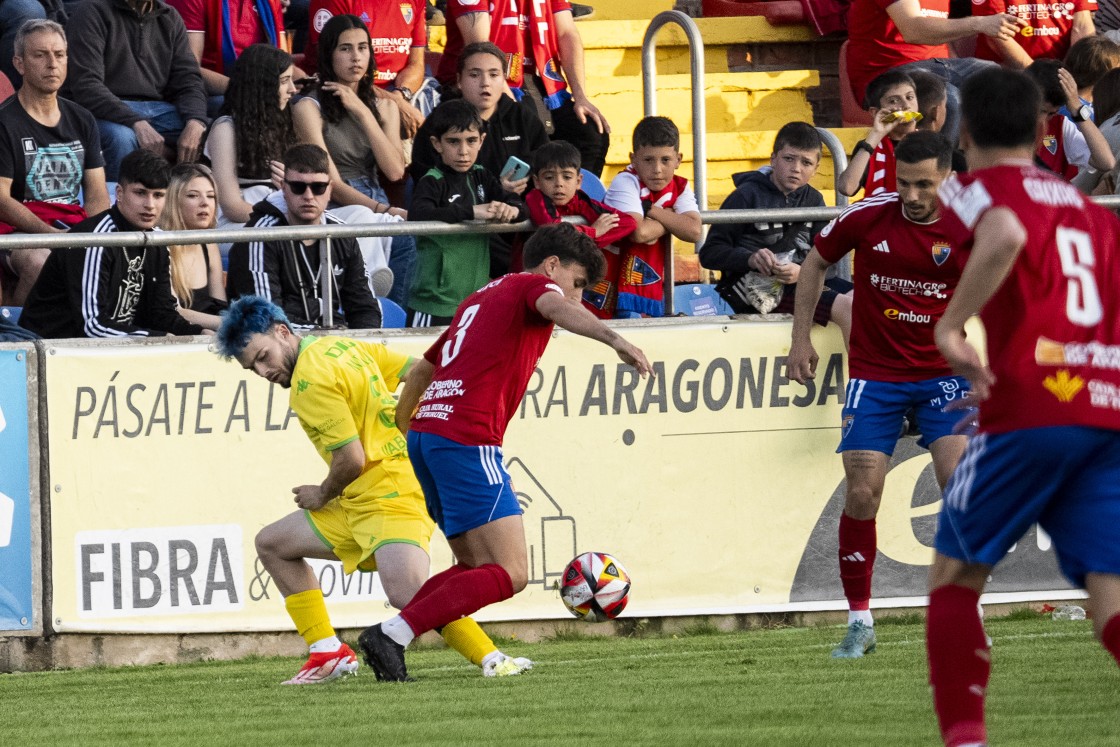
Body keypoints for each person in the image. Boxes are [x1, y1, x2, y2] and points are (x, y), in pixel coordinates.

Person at [355, 222, 653, 682]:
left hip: (429, 436)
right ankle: (392, 633)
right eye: (577, 284)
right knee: (510, 572)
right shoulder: (537, 286)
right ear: (552, 265)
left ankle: (392, 637)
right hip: (467, 437)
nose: (577, 298)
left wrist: (409, 422)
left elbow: (426, 368)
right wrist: (616, 339)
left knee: (473, 566)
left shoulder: (480, 297)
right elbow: (554, 304)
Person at [925, 66, 1120, 747]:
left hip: (1035, 405)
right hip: (1106, 407)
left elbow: (1004, 232)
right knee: (1111, 597)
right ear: (1044, 130)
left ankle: (966, 740)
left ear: (966, 131)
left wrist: (951, 328)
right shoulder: (1088, 209)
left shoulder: (976, 187)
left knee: (954, 576)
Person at [213, 295, 533, 684]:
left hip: (389, 493)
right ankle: (326, 652)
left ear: (283, 331)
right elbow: (419, 370)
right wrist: (404, 420)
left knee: (409, 592)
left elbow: (351, 459)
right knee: (273, 544)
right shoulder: (338, 345)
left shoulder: (309, 382)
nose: (263, 371)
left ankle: (493, 658)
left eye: (263, 356)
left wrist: (321, 494)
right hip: (360, 496)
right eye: (253, 367)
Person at [787, 130, 971, 659]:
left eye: (925, 186)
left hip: (943, 375)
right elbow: (816, 264)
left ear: (949, 179)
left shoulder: (974, 226)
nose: (912, 197)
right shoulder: (869, 213)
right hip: (877, 374)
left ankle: (959, 609)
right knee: (864, 491)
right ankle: (859, 621)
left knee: (957, 484)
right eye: (903, 183)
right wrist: (801, 338)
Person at [208, 43, 397, 297]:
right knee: (293, 234)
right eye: (284, 81)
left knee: (361, 215)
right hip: (239, 224)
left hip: (285, 211)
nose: (291, 88)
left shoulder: (283, 125)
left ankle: (366, 281)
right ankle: (346, 289)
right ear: (261, 84)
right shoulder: (225, 127)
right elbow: (231, 205)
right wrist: (284, 213)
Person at [293, 14, 416, 304]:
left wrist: (362, 111)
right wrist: (382, 210)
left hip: (376, 195)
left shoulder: (385, 106)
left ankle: (394, 318)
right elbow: (331, 183)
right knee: (384, 234)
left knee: (408, 241)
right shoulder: (308, 107)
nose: (356, 57)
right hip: (337, 202)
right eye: (345, 49)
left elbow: (395, 170)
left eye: (363, 48)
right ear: (329, 55)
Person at [18, 150, 205, 338]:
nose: (150, 205)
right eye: (140, 193)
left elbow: (162, 313)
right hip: (53, 346)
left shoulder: (158, 242)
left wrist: (199, 333)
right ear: (120, 193)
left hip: (109, 348)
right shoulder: (95, 239)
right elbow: (92, 326)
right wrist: (155, 338)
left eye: (158, 195)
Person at [699, 122, 852, 341]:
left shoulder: (815, 200)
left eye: (806, 162)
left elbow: (829, 263)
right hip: (760, 291)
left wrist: (803, 272)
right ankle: (863, 375)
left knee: (869, 300)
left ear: (816, 168)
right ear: (773, 159)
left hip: (802, 279)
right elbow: (710, 253)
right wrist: (750, 259)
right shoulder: (746, 195)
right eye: (789, 159)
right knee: (846, 306)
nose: (796, 168)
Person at [409, 41, 548, 278]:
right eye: (475, 74)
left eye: (494, 74)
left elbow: (547, 168)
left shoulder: (523, 118)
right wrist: (491, 194)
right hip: (462, 226)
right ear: (459, 80)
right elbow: (428, 189)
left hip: (517, 219)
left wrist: (515, 197)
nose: (485, 83)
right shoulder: (438, 123)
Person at [0, 19, 110, 307]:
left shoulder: (82, 119)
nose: (52, 64)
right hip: (17, 231)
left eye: (59, 55)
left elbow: (97, 195)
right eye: (40, 55)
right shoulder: (4, 121)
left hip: (70, 225)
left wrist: (99, 236)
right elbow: (1, 200)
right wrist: (52, 235)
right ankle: (18, 335)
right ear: (19, 64)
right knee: (42, 262)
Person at [437, 0, 611, 176]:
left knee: (591, 132)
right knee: (530, 138)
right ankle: (526, 201)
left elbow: (567, 33)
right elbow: (480, 49)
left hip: (535, 84)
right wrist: (513, 110)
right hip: (478, 85)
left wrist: (580, 97)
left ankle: (578, 201)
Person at [226, 144, 382, 330]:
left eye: (318, 187)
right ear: (283, 188)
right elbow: (268, 317)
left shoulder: (341, 233)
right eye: (298, 187)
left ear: (330, 189)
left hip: (334, 342)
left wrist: (359, 343)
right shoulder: (260, 235)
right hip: (278, 348)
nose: (308, 196)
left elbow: (365, 307)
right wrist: (326, 337)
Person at [407, 100, 526, 327]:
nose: (463, 151)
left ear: (481, 141)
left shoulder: (482, 176)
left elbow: (518, 204)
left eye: (471, 141)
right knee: (423, 363)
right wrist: (471, 212)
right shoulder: (432, 181)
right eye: (453, 142)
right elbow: (418, 213)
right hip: (432, 303)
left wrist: (511, 209)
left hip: (474, 300)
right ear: (437, 143)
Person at [64, 0, 210, 182]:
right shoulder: (91, 12)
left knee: (216, 131)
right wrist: (135, 122)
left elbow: (189, 79)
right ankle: (116, 205)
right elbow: (86, 85)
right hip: (103, 111)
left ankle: (201, 202)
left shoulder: (170, 16)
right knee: (121, 138)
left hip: (159, 109)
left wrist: (195, 122)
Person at [845, 0, 1023, 144]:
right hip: (890, 73)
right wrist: (980, 22)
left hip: (936, 66)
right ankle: (939, 175)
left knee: (998, 78)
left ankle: (994, 174)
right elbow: (913, 29)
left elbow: (940, 37)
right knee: (948, 98)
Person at [602, 115, 701, 318]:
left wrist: (653, 211)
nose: (657, 170)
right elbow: (638, 232)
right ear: (633, 159)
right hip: (607, 282)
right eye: (648, 160)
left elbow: (694, 231)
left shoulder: (680, 186)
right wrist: (672, 218)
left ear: (678, 160)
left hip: (646, 287)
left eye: (665, 160)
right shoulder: (625, 181)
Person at [524, 141, 637, 318]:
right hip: (533, 277)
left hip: (567, 277)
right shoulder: (535, 198)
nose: (559, 184)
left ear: (578, 181)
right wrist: (592, 233)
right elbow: (553, 229)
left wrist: (588, 241)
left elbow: (627, 222)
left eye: (567, 177)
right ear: (537, 182)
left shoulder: (582, 202)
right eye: (549, 177)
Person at [303, 0, 436, 134]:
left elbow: (416, 64)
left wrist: (399, 97)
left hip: (400, 91)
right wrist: (395, 103)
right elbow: (333, 68)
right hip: (347, 89)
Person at [167, 0, 286, 98]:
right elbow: (188, 69)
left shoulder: (271, 2)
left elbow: (284, 63)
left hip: (262, 89)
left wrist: (303, 80)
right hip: (212, 93)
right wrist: (246, 90)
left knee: (302, 103)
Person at [1024, 59, 1115, 182]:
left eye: (1051, 113)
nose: (1043, 120)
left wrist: (1077, 108)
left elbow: (1107, 162)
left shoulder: (1061, 125)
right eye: (1041, 111)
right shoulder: (1000, 121)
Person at [160, 162, 226, 331]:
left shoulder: (209, 244)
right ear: (173, 201)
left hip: (211, 335)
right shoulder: (160, 247)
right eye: (193, 195)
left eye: (210, 196)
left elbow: (219, 305)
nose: (205, 203)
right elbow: (175, 312)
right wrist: (233, 324)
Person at [838, 70, 922, 198]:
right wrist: (876, 134)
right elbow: (847, 188)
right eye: (893, 101)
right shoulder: (869, 147)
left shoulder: (932, 143)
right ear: (875, 112)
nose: (906, 105)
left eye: (910, 97)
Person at [972, 0, 1094, 69]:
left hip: (1062, 70)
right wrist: (1035, 72)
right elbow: (994, 35)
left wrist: (1067, 72)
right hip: (1004, 73)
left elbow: (1083, 26)